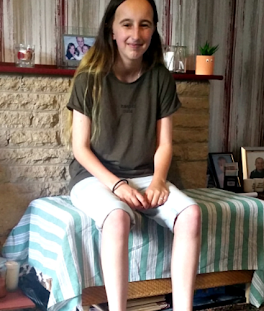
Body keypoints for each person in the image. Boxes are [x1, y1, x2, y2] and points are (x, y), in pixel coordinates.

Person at [64, 1, 201, 311]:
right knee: (116, 218)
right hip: (95, 177)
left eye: (145, 24)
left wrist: (158, 181)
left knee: (191, 214)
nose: (136, 34)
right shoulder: (89, 79)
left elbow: (164, 144)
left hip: (144, 174)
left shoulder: (161, 79)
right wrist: (117, 186)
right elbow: (80, 149)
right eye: (127, 24)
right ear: (111, 30)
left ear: (153, 30)